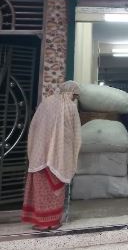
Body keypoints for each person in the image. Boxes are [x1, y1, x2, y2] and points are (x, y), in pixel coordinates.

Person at [21, 81, 81, 231]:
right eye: (75, 95)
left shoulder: (46, 103)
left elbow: (34, 126)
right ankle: (51, 222)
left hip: (39, 154)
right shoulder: (71, 107)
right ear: (71, 93)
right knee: (54, 190)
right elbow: (74, 135)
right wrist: (71, 154)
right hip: (58, 158)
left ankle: (40, 222)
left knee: (40, 190)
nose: (75, 99)